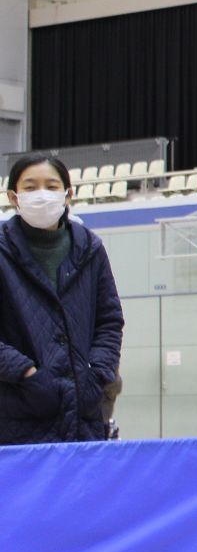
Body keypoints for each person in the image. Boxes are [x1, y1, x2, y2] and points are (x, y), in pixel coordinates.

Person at [0, 154, 124, 447]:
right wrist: (27, 374)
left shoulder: (91, 248)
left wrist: (97, 374)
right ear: (13, 196)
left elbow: (109, 321)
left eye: (51, 185)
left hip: (84, 416)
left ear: (68, 194)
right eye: (30, 187)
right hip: (14, 417)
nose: (41, 194)